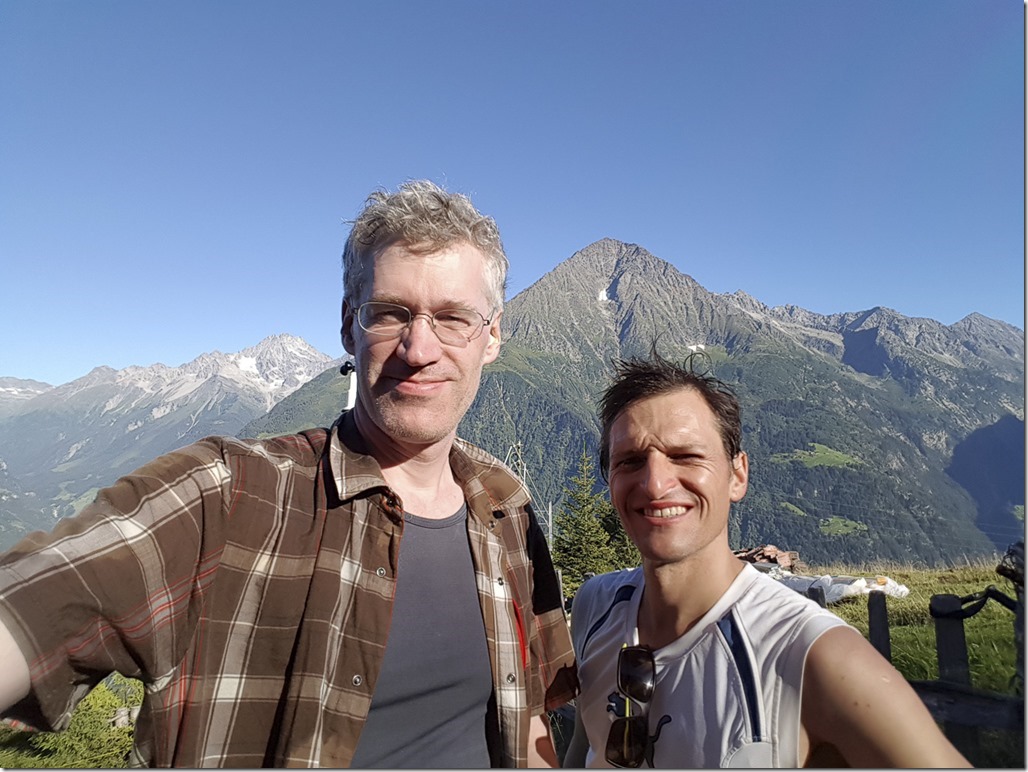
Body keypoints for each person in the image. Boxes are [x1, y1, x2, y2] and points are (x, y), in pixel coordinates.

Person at [0, 180, 577, 767]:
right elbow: (36, 604)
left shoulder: (506, 507)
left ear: (492, 337)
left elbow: (530, 717)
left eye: (453, 318)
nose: (419, 348)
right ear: (349, 324)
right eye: (388, 314)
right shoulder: (228, 496)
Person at [562, 352, 970, 768]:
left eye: (685, 456)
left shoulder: (814, 655)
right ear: (610, 480)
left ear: (737, 475)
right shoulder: (595, 605)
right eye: (630, 461)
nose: (655, 483)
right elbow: (586, 744)